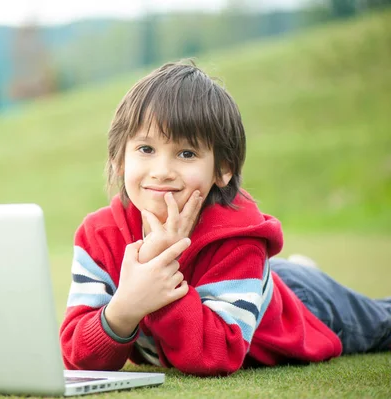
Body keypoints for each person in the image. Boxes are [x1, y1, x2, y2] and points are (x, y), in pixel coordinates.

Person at [59, 60, 391, 376]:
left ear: (223, 169)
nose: (161, 172)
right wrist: (124, 308)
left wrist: (159, 272)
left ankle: (294, 278)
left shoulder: (238, 238)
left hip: (305, 308)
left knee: (383, 323)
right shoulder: (98, 236)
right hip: (250, 284)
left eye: (186, 153)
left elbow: (218, 354)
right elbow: (77, 356)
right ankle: (284, 274)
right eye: (146, 149)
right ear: (119, 158)